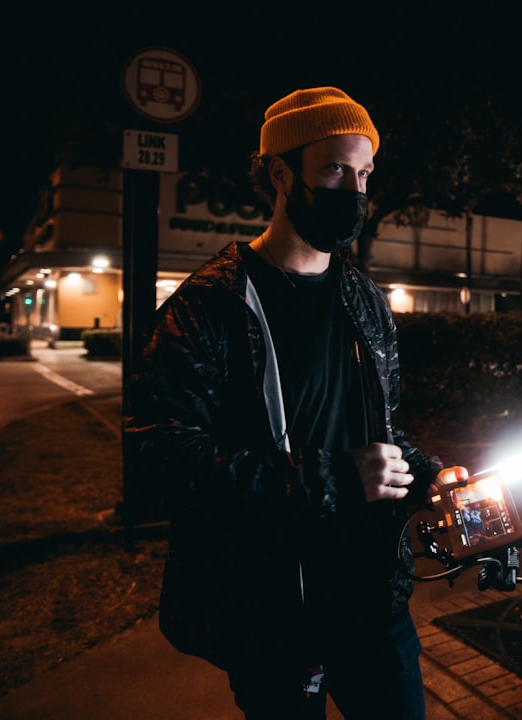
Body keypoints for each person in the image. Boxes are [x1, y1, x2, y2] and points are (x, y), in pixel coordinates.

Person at [123, 86, 467, 719]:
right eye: (336, 169)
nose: (354, 191)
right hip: (270, 615)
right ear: (280, 173)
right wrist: (334, 478)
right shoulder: (208, 307)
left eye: (364, 173)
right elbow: (160, 459)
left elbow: (375, 434)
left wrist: (427, 474)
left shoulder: (364, 300)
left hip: (374, 606)